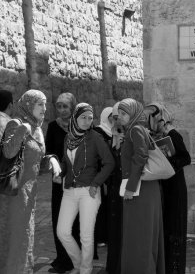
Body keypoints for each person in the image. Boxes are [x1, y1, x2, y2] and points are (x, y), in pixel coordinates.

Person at [0, 90, 48, 274]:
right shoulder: (16, 123)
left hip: (30, 191)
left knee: (25, 237)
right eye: (40, 104)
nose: (44, 108)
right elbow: (8, 152)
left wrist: (49, 160)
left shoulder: (38, 128)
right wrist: (23, 130)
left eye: (45, 104)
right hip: (14, 192)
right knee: (13, 235)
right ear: (28, 105)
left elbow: (35, 160)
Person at [57, 103, 115, 274]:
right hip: (69, 190)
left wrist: (96, 183)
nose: (87, 121)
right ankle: (78, 264)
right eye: (83, 117)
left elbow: (109, 163)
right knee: (63, 232)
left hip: (89, 190)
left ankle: (85, 270)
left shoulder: (95, 137)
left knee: (86, 236)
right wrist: (57, 168)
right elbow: (66, 162)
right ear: (75, 117)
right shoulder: (68, 138)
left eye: (90, 118)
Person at [117, 98, 165, 274]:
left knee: (140, 235)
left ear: (134, 113)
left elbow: (141, 157)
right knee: (141, 235)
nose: (120, 117)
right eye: (119, 114)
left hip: (140, 190)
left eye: (124, 114)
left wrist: (130, 187)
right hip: (144, 189)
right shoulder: (136, 129)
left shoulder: (136, 129)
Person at [145, 102, 191, 274]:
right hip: (162, 188)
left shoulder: (172, 133)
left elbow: (186, 158)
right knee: (164, 230)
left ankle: (175, 269)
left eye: (153, 116)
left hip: (175, 189)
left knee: (175, 228)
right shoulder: (152, 135)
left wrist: (166, 165)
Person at [45, 92, 80, 274]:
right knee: (60, 218)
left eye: (65, 106)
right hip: (60, 180)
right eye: (58, 106)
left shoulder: (82, 125)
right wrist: (53, 162)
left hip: (79, 180)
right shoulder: (52, 126)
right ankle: (62, 260)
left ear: (73, 107)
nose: (61, 110)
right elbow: (49, 152)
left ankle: (77, 259)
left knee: (77, 219)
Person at [99, 104, 124, 274]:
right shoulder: (112, 137)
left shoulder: (133, 136)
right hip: (114, 189)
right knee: (114, 232)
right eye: (114, 118)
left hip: (127, 191)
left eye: (119, 117)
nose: (116, 121)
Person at [93, 107, 113, 252]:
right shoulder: (99, 132)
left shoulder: (114, 131)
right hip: (102, 175)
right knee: (101, 207)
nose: (114, 119)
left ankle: (108, 235)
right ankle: (100, 237)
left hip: (112, 175)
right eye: (112, 116)